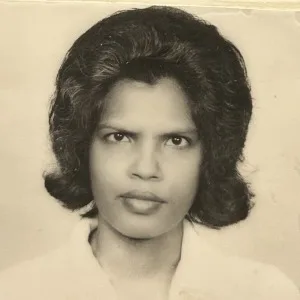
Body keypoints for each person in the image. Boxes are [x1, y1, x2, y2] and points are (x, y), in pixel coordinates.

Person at [0, 5, 299, 300]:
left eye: (176, 141)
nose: (145, 168)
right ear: (82, 147)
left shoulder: (266, 293)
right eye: (119, 137)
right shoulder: (17, 290)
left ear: (211, 155)